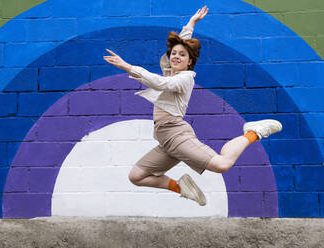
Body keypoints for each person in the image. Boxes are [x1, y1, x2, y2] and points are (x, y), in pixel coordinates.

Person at [103, 6, 282, 206]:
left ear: (189, 62)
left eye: (182, 55)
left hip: (177, 135)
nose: (176, 57)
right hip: (166, 139)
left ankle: (253, 132)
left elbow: (161, 84)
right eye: (174, 54)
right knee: (137, 176)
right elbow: (179, 46)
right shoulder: (171, 71)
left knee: (222, 164)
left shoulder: (185, 78)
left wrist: (127, 66)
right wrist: (191, 23)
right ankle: (181, 187)